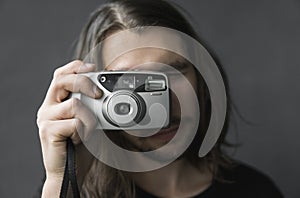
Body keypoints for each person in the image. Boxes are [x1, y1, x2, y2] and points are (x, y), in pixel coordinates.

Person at [36, 0, 283, 197]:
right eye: (129, 82)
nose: (160, 103)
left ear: (201, 77)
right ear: (91, 94)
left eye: (171, 72)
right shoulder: (69, 189)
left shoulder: (255, 190)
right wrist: (63, 180)